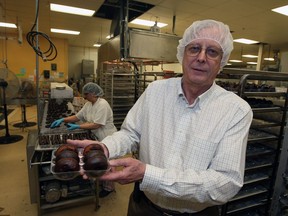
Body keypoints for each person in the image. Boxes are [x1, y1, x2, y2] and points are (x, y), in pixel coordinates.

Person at [68, 19, 253, 215]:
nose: (201, 57)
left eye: (212, 52)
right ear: (183, 54)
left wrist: (147, 174)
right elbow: (130, 133)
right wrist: (106, 147)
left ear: (221, 62)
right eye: (195, 48)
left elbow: (224, 183)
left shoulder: (235, 111)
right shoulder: (156, 91)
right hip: (143, 207)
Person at [51, 82, 117, 197]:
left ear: (92, 93)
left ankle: (108, 188)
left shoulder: (103, 105)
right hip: (96, 136)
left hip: (106, 136)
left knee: (107, 162)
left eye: (86, 94)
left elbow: (97, 124)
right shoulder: (88, 104)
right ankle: (99, 180)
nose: (84, 96)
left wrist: (78, 126)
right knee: (97, 162)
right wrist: (63, 120)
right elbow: (77, 117)